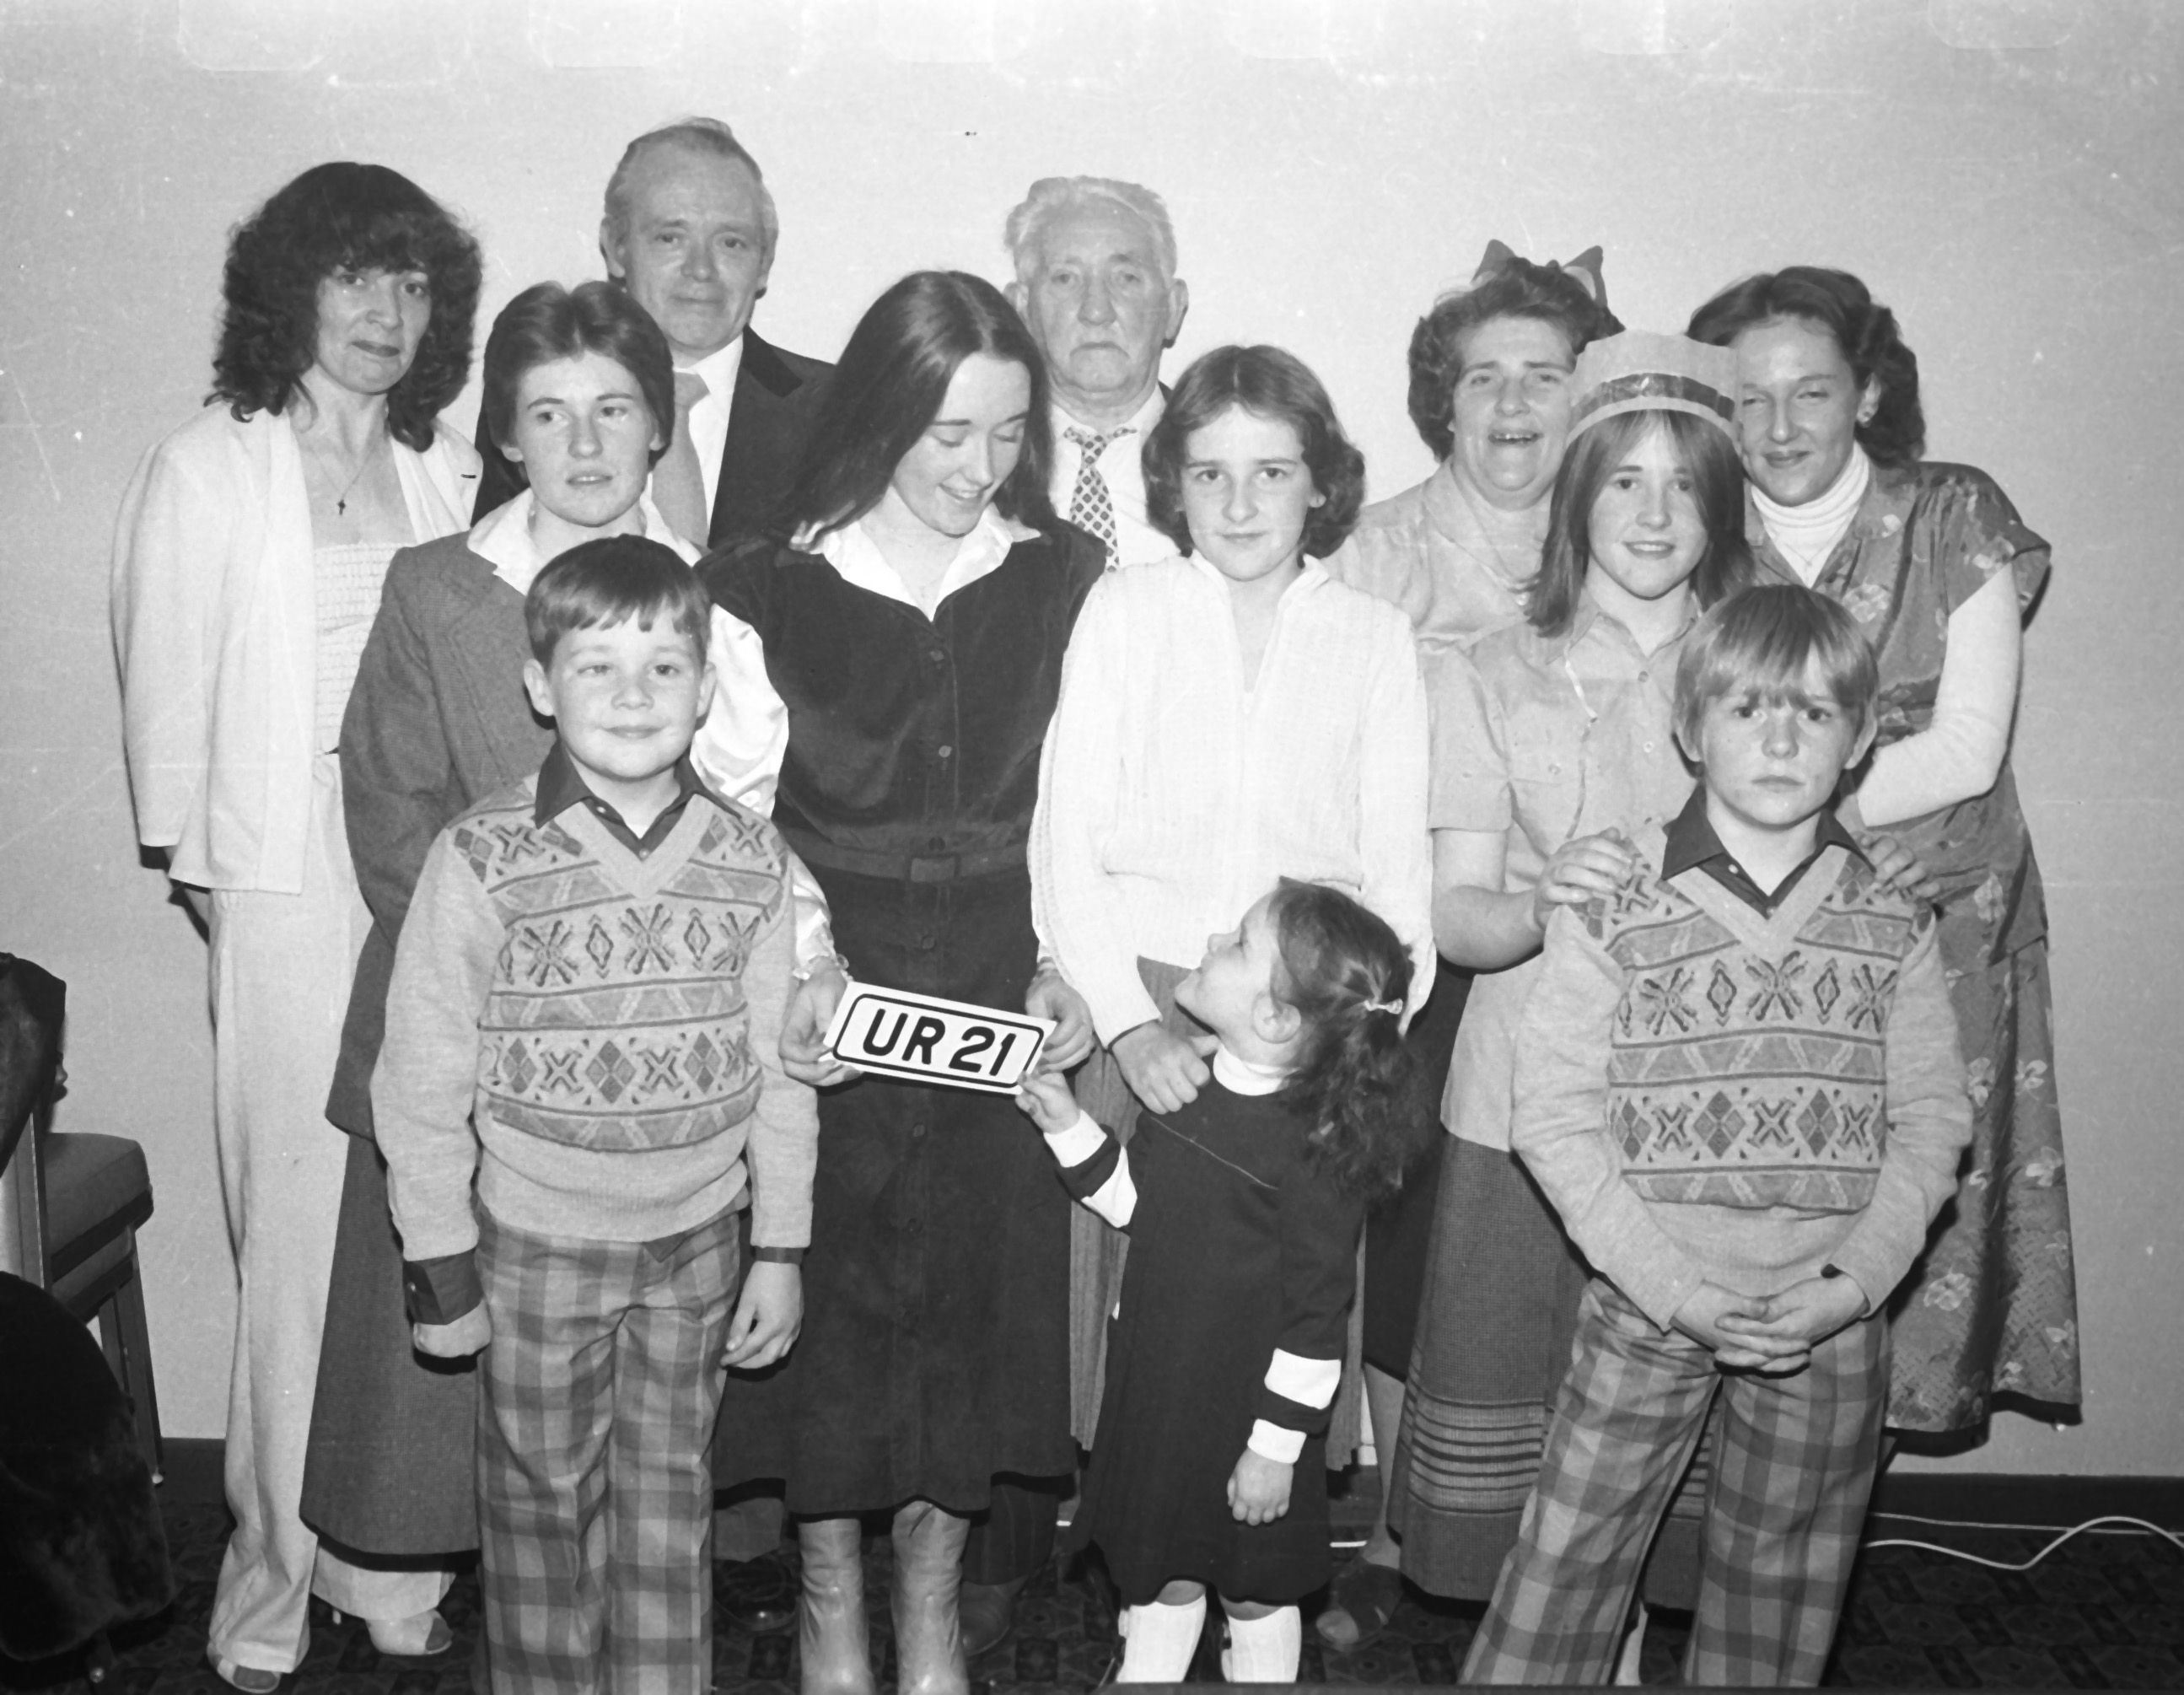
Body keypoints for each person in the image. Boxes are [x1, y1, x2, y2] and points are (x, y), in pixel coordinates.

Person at [690, 270, 1103, 1695]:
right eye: (946, 433)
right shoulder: (767, 582)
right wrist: (801, 961)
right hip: (828, 996)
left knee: (962, 1332)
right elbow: (735, 816)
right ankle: (826, 1608)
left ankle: (929, 1610)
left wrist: (1066, 965)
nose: (976, 468)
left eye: (1005, 434)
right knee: (836, 1326)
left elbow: (1087, 805)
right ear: (880, 414)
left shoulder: (1058, 576)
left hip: (997, 995)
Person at [110, 161, 481, 1689]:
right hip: (277, 882)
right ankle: (266, 1582)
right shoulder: (211, 466)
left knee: (422, 1203)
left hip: (424, 872)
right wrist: (231, 895)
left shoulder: (442, 466)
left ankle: (385, 1560)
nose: (388, 314)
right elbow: (166, 712)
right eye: (356, 280)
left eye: (412, 286)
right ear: (291, 292)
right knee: (293, 1240)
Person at [1463, 584, 1973, 1685]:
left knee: (1774, 1607)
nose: (1781, 738)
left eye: (1815, 712)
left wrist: (1851, 1285)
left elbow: (1933, 1117)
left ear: (1860, 738)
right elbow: (1547, 1112)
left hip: (1827, 1314)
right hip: (1651, 1298)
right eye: (1746, 710)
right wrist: (1673, 1287)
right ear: (1690, 729)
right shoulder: (1614, 895)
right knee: (1562, 1574)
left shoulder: (1889, 914)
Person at [370, 537, 818, 1695]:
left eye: (664, 668)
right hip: (534, 1247)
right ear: (537, 686)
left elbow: (782, 1071)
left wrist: (780, 1245)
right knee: (537, 1517)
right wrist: (440, 1261)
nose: (632, 696)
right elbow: (419, 1074)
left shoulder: (749, 857)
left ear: (706, 688)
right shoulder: (479, 855)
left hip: (698, 1245)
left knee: (671, 1512)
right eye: (596, 666)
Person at [304, 280, 707, 1564]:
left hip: (655, 1040)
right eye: (548, 414)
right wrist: (513, 988)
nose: (584, 446)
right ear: (507, 438)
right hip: (463, 1011)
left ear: (658, 429)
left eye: (613, 411)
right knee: (439, 1346)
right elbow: (389, 805)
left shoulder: (710, 595)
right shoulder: (441, 588)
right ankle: (405, 1571)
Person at [1386, 331, 1756, 1654]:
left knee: (1677, 1440)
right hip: (1524, 1089)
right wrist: (1546, 904)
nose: (1651, 515)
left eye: (1681, 484)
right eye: (1620, 482)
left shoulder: (1762, 662)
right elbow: (1455, 916)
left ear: (1719, 501)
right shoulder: (1494, 667)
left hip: (1709, 1100)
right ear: (1575, 494)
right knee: (1527, 1446)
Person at [1031, 341, 1432, 1493]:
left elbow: (1397, 877)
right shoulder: (1125, 606)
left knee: (1284, 1306)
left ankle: (1261, 1586)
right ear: (1173, 485)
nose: (1240, 501)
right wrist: (1126, 1023)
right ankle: (1150, 1578)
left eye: (1270, 470)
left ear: (1321, 481)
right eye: (1209, 473)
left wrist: (1353, 1038)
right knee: (1139, 1316)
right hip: (1152, 994)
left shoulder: (1370, 638)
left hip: (1307, 1024)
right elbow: (1065, 836)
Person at [1688, 266, 2079, 1432]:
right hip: (1771, 919)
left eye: (1808, 393)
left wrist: (1795, 814)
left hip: (1941, 910)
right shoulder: (1707, 538)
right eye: (1746, 401)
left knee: (1921, 1193)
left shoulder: (1956, 511)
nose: (1775, 428)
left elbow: (1965, 747)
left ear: (1863, 394)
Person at [1316, 243, 1620, 1649]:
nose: (1511, 406)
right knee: (1416, 1241)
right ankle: (1397, 1524)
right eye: (1481, 377)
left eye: (1544, 377)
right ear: (1441, 399)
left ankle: (1567, 1535)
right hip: (1424, 949)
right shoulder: (1375, 555)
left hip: (1600, 955)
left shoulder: (1632, 534)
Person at [1018, 881, 1425, 1684]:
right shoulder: (1189, 1092)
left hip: (1247, 1420)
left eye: (1237, 943)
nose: (1210, 940)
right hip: (1162, 1395)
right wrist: (1066, 1124)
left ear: (1275, 1018)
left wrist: (1274, 1452)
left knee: (1251, 1587)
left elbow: (1317, 1321)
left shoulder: (1313, 1155)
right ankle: (1149, 1675)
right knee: (1159, 1566)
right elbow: (1139, 1204)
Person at [472, 117, 831, 552]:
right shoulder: (540, 395)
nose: (700, 269)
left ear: (765, 261)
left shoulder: (837, 410)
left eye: (731, 242)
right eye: (669, 238)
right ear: (617, 248)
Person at [1004, 176, 1190, 568]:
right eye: (1065, 279)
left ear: (1172, 308)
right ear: (1022, 310)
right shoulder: (981, 470)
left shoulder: (1222, 466)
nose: (1096, 311)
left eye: (1126, 278)